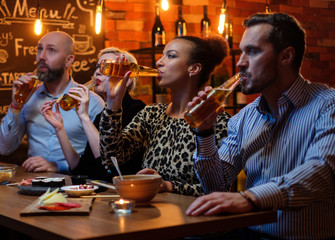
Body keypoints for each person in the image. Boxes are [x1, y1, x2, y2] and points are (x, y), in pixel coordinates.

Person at [186, 12, 335, 239]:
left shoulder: (328, 104)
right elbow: (216, 186)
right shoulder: (243, 118)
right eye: (242, 51)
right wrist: (205, 131)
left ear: (285, 56)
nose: (240, 62)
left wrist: (251, 198)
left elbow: (322, 172)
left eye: (252, 51)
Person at [99, 35, 231, 196]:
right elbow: (111, 159)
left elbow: (220, 189)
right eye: (162, 55)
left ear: (194, 69)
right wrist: (113, 102)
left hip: (194, 218)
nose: (159, 62)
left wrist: (168, 186)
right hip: (150, 215)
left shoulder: (217, 121)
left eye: (171, 55)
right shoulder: (152, 114)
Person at [0, 31, 104, 173]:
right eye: (39, 49)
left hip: (76, 188)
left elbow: (102, 161)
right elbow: (4, 149)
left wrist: (57, 167)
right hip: (31, 186)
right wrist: (15, 106)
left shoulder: (91, 102)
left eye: (51, 50)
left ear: (69, 60)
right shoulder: (28, 97)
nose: (42, 56)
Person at [40, 47, 145, 181]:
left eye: (107, 67)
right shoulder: (101, 116)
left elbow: (112, 169)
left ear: (127, 79)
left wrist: (84, 118)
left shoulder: (137, 110)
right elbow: (80, 169)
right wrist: (59, 127)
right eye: (98, 67)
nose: (97, 72)